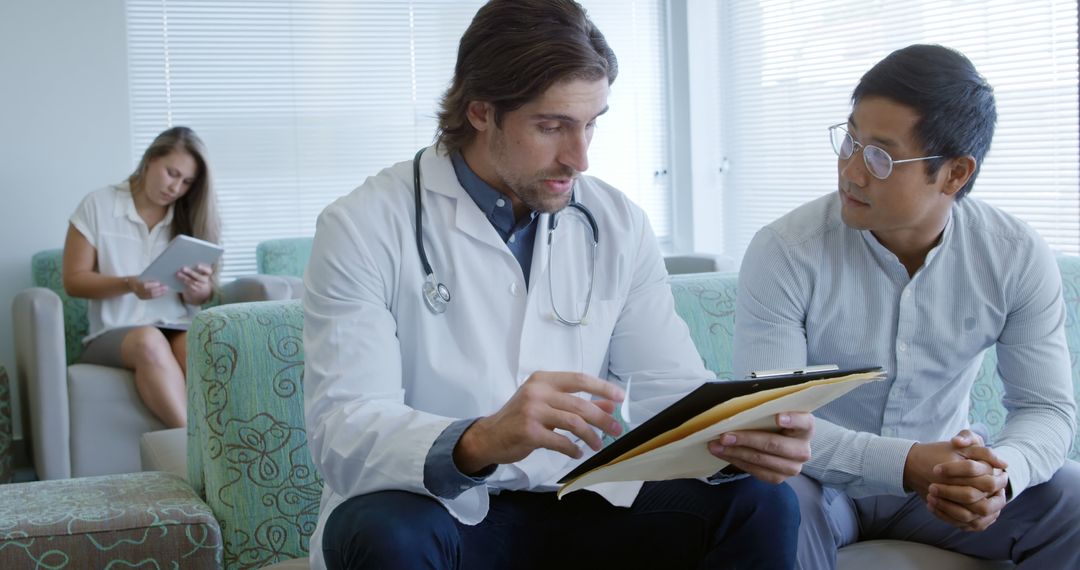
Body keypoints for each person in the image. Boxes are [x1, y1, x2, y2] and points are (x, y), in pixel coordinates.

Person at [303, 1, 814, 568]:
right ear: (480, 112)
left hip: (578, 499)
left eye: (592, 123)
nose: (580, 157)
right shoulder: (363, 224)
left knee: (760, 502)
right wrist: (480, 439)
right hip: (442, 508)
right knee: (384, 533)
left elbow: (670, 392)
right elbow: (342, 429)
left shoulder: (617, 223)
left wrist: (737, 443)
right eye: (552, 127)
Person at [734, 44, 1080, 568]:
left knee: (1071, 501)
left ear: (954, 174)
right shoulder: (785, 250)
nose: (851, 171)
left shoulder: (1013, 255)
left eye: (879, 156)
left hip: (940, 487)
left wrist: (1000, 475)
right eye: (850, 139)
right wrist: (907, 463)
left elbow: (1046, 409)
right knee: (772, 501)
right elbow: (775, 420)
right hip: (820, 482)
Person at [63, 126, 220, 429]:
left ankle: (220, 439)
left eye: (187, 182)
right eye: (172, 173)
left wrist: (197, 290)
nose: (176, 188)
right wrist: (129, 284)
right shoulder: (98, 205)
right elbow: (74, 280)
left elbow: (200, 299)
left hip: (175, 324)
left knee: (200, 344)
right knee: (148, 341)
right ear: (150, 160)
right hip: (113, 331)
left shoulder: (189, 215)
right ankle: (190, 445)